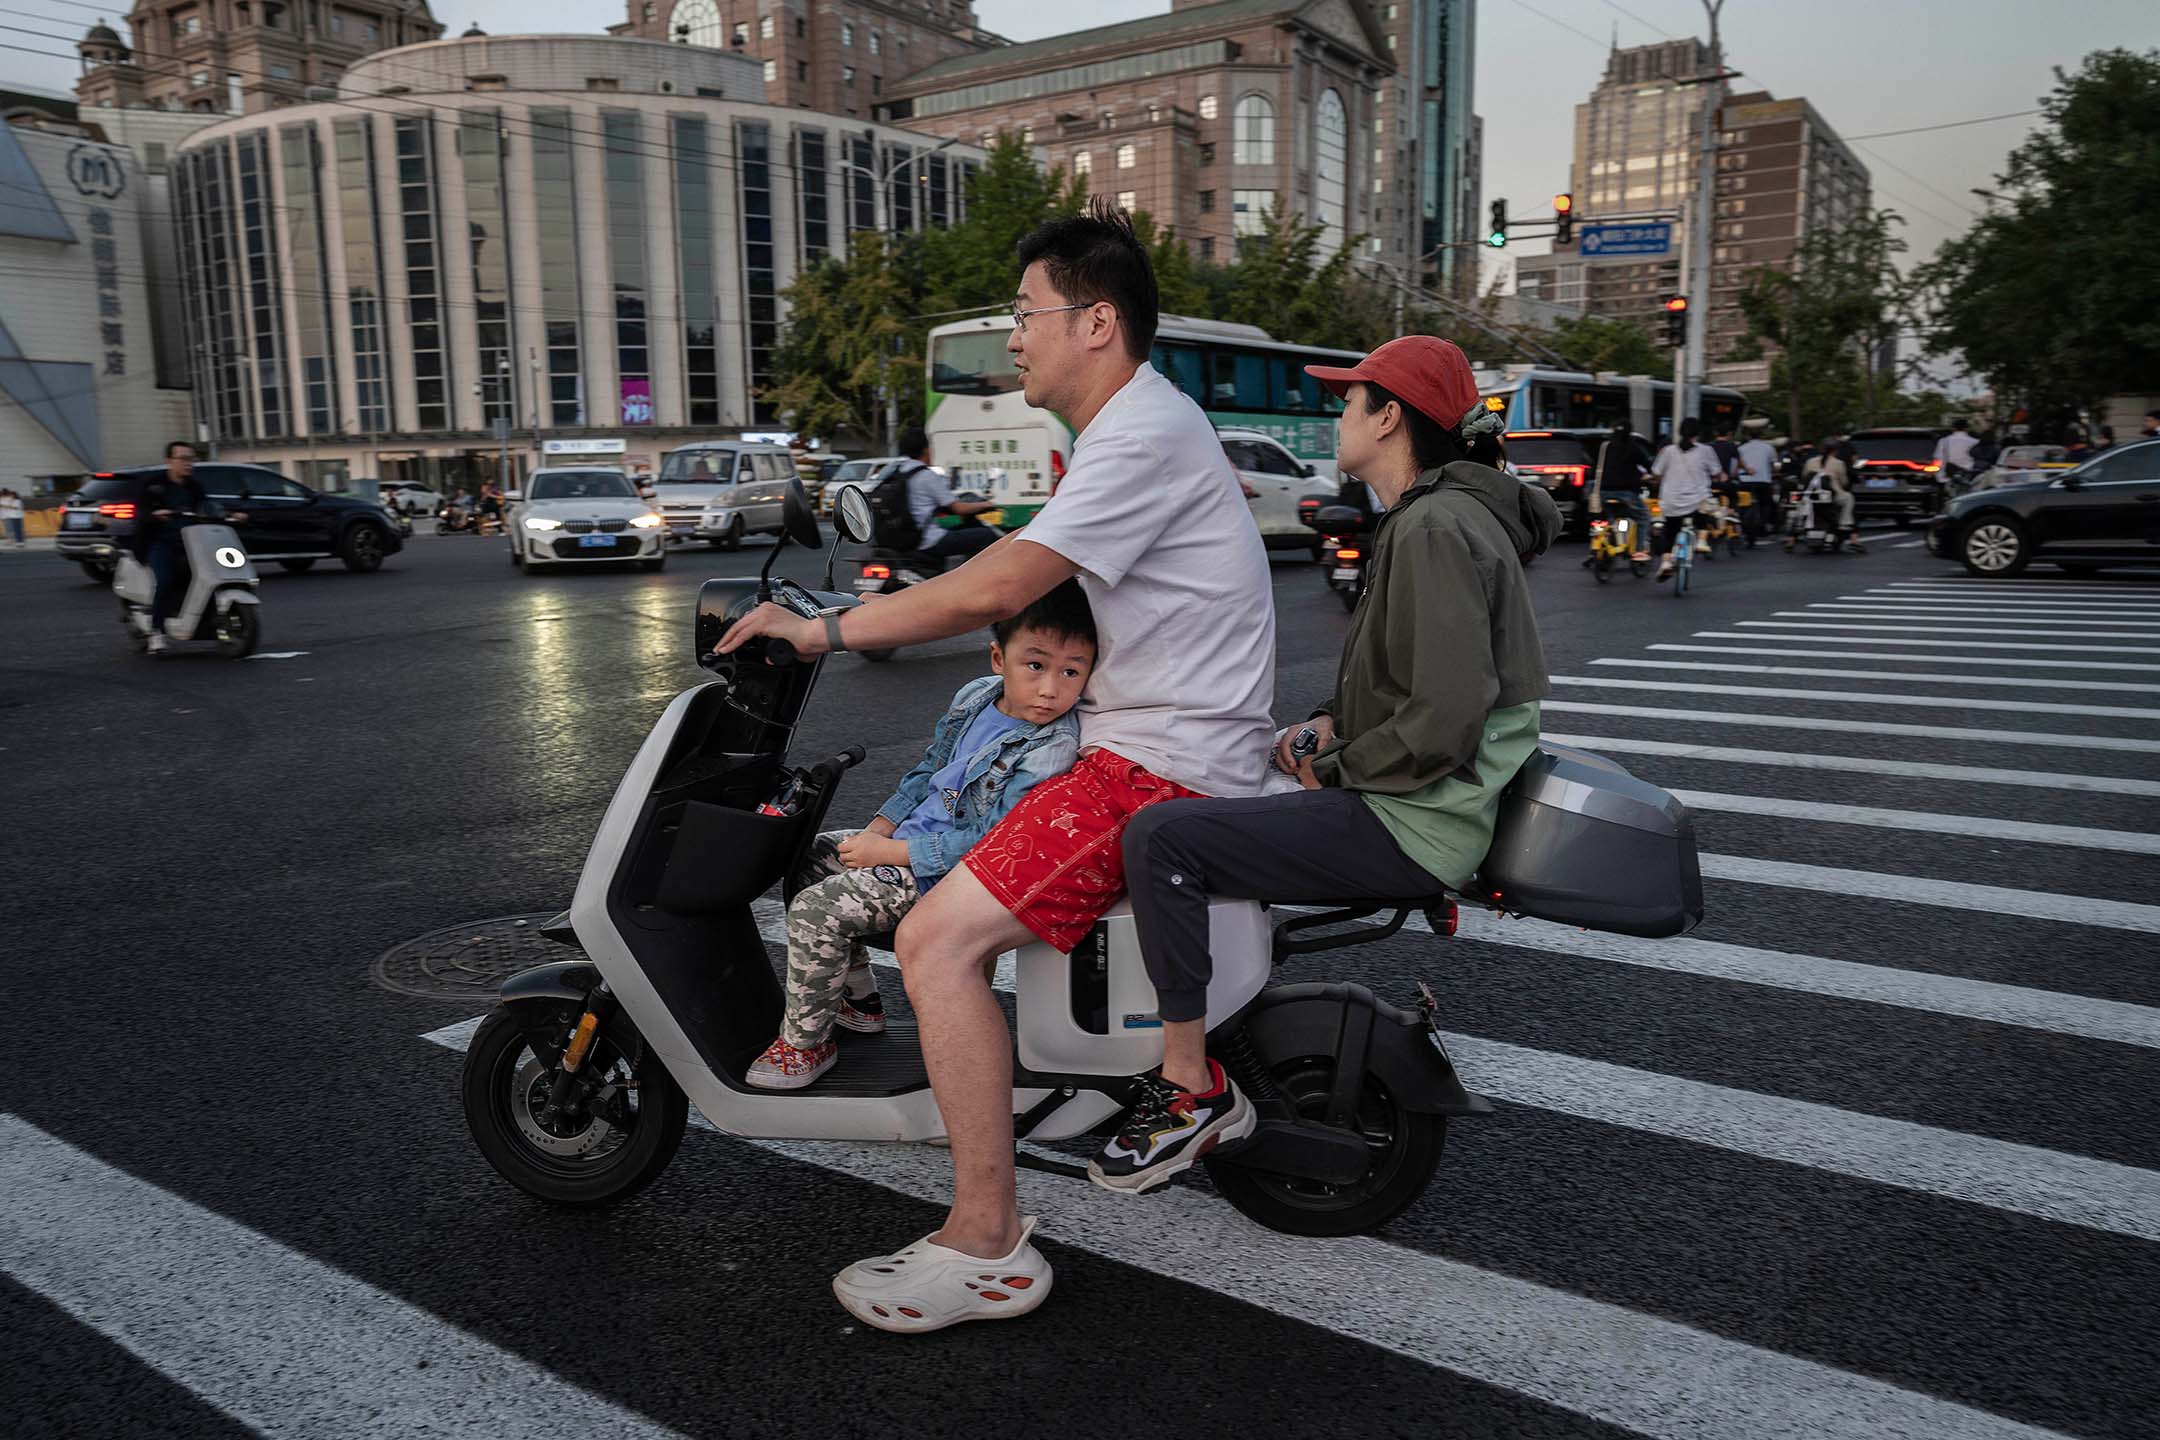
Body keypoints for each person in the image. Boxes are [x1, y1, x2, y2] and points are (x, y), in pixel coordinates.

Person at [716, 198, 1277, 1331]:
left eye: (1025, 313)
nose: (1012, 336)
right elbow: (1013, 566)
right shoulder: (1130, 433)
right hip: (1143, 742)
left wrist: (820, 629)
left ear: (1098, 323)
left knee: (935, 936)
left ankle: (989, 1244)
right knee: (920, 882)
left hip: (1159, 764)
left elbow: (993, 591)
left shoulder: (1143, 433)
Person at [1100, 336, 1559, 1195]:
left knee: (1163, 838)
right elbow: (1411, 682)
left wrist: (1336, 770)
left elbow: (1446, 714)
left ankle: (1187, 1087)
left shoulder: (1432, 526)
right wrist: (1322, 730)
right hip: (1420, 801)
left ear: (1389, 417)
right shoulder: (1437, 517)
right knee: (1214, 808)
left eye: (1349, 402)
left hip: (1414, 819)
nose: (1335, 415)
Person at [745, 585, 1094, 1089]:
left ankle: (806, 1045)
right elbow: (931, 768)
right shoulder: (975, 699)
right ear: (999, 659)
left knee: (818, 910)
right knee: (810, 856)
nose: (1050, 689)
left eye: (1071, 672)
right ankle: (860, 1000)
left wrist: (891, 852)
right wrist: (880, 826)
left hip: (954, 876)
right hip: (908, 844)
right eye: (1035, 666)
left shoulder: (1050, 747)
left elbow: (991, 842)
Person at [135, 440, 246, 652]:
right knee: (166, 579)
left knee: (211, 575)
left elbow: (209, 506)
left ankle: (211, 623)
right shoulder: (153, 485)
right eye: (183, 459)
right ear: (169, 461)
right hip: (158, 542)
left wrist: (232, 514)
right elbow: (141, 511)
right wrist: (154, 514)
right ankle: (156, 633)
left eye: (192, 459)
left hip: (192, 543)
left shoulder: (194, 487)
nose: (189, 463)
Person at [897, 427, 999, 563]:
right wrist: (985, 504)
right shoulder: (926, 475)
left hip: (907, 538)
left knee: (961, 531)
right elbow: (959, 509)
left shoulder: (900, 471)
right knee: (986, 535)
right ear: (925, 450)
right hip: (929, 540)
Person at [1650, 417, 1721, 581]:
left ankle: (1666, 562)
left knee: (1669, 532)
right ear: (1698, 433)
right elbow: (1716, 472)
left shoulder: (1668, 451)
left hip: (1671, 502)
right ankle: (1702, 541)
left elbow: (1656, 472)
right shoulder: (1706, 451)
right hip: (1697, 501)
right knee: (1708, 508)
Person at [1590, 423, 1651, 560]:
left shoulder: (1605, 447)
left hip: (1604, 491)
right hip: (1626, 493)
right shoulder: (1632, 447)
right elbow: (1647, 464)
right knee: (1643, 517)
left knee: (1610, 517)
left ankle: (1600, 546)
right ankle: (1639, 550)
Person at [1735, 429, 1780, 538]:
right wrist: (1775, 472)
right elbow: (1775, 465)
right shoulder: (1769, 448)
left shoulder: (1741, 448)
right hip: (1763, 481)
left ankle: (1743, 525)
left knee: (1742, 504)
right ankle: (1763, 526)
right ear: (1761, 436)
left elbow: (1737, 464)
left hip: (1744, 481)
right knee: (1766, 504)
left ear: (1749, 437)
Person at [1934, 419, 1979, 485]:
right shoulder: (1975, 441)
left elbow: (1939, 459)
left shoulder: (1944, 441)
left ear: (1953, 428)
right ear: (1967, 428)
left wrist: (1940, 477)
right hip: (1969, 475)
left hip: (1949, 476)